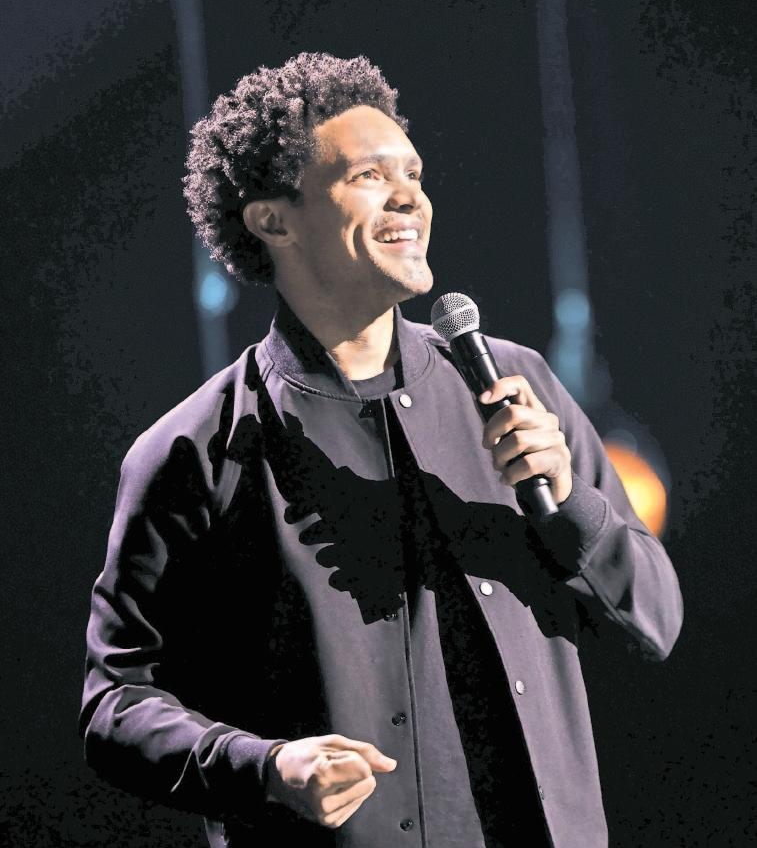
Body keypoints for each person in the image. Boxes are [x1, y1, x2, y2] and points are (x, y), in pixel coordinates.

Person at [79, 52, 683, 848]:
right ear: (273, 220)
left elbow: (655, 618)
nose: (410, 197)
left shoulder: (514, 382)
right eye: (369, 175)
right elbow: (116, 701)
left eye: (414, 174)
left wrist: (570, 501)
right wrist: (264, 766)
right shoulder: (194, 449)